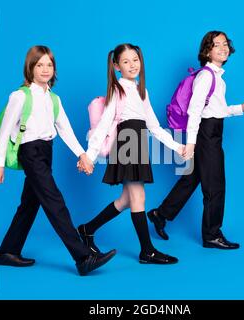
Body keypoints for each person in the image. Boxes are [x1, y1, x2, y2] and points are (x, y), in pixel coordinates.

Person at [0, 45, 116, 276]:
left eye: (49, 64)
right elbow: (5, 129)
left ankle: (7, 251)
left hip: (47, 150)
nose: (45, 69)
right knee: (54, 201)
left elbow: (65, 129)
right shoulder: (20, 96)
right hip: (30, 152)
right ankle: (83, 257)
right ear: (30, 68)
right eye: (40, 65)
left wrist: (83, 155)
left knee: (30, 203)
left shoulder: (54, 99)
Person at [77, 43, 188, 264]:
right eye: (126, 61)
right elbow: (104, 124)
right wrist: (89, 155)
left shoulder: (141, 90)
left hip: (139, 142)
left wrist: (178, 147)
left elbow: (154, 126)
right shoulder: (117, 89)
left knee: (127, 199)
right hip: (127, 143)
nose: (132, 65)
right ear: (116, 66)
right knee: (139, 197)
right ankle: (147, 251)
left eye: (135, 60)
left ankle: (87, 229)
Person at [147, 31, 244, 249]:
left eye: (225, 44)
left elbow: (215, 109)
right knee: (215, 185)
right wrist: (191, 142)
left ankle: (160, 214)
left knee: (192, 178)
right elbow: (195, 110)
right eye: (217, 45)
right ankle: (211, 234)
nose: (223, 48)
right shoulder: (206, 76)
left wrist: (241, 108)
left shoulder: (216, 77)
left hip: (210, 130)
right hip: (205, 134)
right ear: (207, 51)